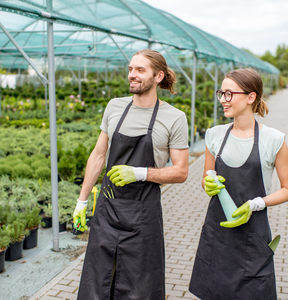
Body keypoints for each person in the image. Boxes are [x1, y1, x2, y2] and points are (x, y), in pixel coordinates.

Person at [74, 49, 189, 300]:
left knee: (140, 287)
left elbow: (181, 172)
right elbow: (98, 155)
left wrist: (139, 173)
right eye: (130, 69)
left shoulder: (174, 118)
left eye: (139, 70)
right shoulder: (115, 107)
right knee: (98, 282)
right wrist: (82, 201)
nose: (132, 75)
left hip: (143, 215)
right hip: (107, 209)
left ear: (158, 76)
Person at [189, 69, 288, 300]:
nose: (222, 100)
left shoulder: (273, 139)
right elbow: (206, 179)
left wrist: (256, 204)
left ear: (251, 97)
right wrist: (208, 184)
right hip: (217, 234)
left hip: (252, 236)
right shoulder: (214, 135)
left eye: (229, 94)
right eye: (221, 93)